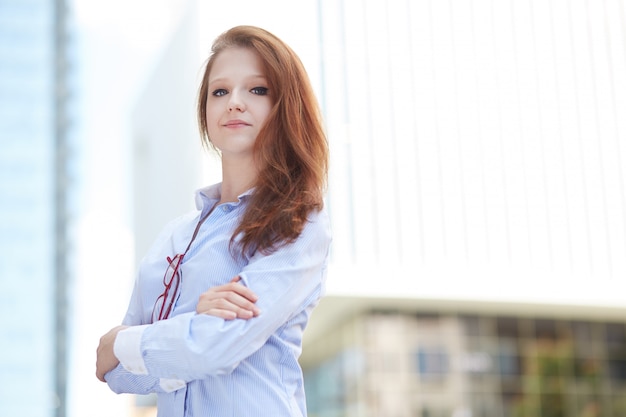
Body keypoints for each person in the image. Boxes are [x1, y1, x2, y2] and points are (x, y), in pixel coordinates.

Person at [95, 25, 331, 417]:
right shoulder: (175, 236)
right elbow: (120, 377)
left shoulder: (299, 221)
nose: (234, 103)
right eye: (219, 91)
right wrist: (187, 332)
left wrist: (121, 343)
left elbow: (214, 347)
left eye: (257, 90)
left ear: (284, 106)